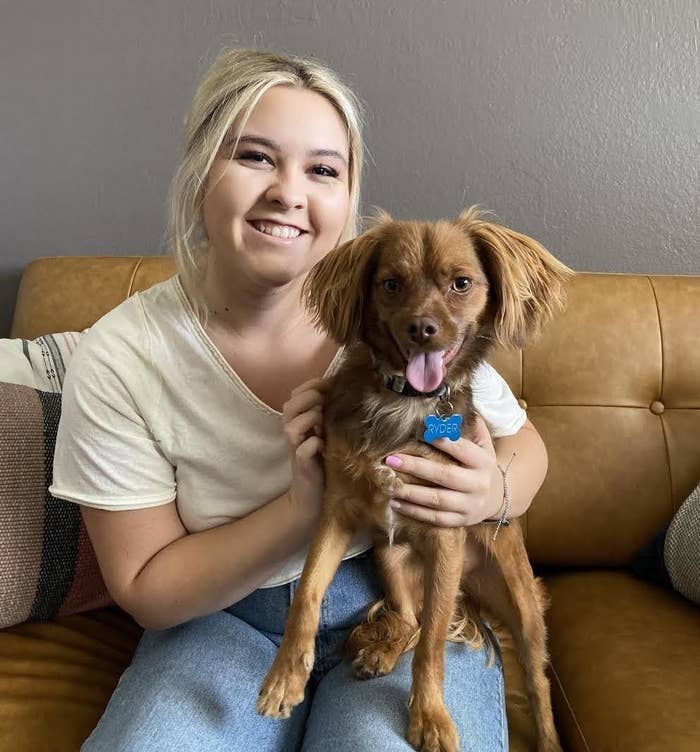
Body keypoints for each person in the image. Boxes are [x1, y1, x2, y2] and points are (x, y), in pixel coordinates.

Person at [50, 48, 549, 752]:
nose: (289, 192)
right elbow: (144, 585)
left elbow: (525, 449)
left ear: (346, 197)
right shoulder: (123, 357)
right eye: (255, 156)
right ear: (200, 173)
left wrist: (491, 490)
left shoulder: (397, 324)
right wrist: (306, 508)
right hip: (220, 623)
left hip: (396, 602)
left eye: (322, 169)